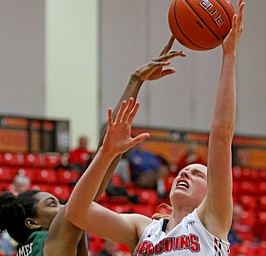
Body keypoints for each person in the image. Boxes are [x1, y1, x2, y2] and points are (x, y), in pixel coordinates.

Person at [65, 1, 245, 255]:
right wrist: (106, 154)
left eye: (197, 174)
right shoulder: (143, 228)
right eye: (185, 171)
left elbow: (221, 136)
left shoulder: (211, 221)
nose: (185, 174)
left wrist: (229, 56)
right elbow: (76, 212)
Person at [0, 32, 185, 255]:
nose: (63, 208)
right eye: (52, 205)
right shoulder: (50, 240)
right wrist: (135, 80)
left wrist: (110, 151)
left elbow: (92, 183)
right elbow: (87, 191)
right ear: (33, 222)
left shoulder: (30, 247)